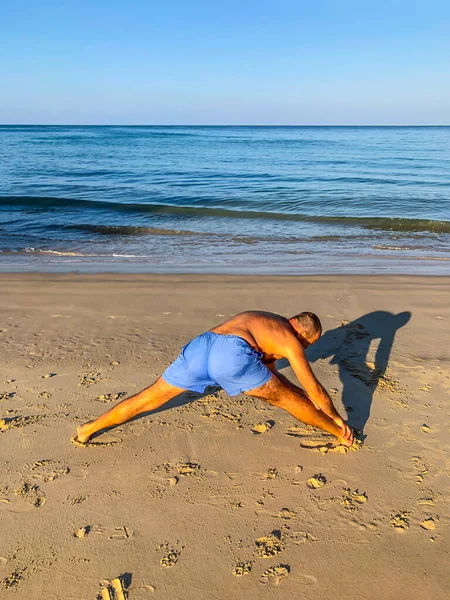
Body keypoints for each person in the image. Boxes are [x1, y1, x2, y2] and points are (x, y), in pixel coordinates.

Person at [74, 311, 354, 447]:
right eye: (310, 343)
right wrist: (336, 419)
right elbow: (313, 388)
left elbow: (271, 374)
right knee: (289, 401)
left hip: (202, 346)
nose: (307, 348)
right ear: (302, 332)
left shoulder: (266, 321)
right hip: (231, 354)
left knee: (148, 398)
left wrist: (304, 397)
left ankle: (87, 429)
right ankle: (340, 436)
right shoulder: (289, 340)